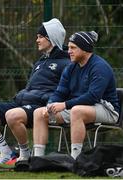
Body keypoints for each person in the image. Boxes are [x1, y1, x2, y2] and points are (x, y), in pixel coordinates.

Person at [0, 18, 70, 164]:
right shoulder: (40, 62)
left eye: (40, 37)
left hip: (39, 107)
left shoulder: (66, 63)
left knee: (12, 116)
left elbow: (63, 92)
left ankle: (24, 154)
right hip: (21, 103)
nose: (36, 40)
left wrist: (48, 102)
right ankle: (6, 152)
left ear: (50, 38)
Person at [33, 30, 120, 159]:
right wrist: (50, 105)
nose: (69, 51)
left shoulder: (100, 67)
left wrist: (65, 105)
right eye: (68, 48)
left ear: (85, 49)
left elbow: (93, 97)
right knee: (39, 113)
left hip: (107, 109)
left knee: (76, 111)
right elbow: (60, 92)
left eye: (73, 48)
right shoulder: (71, 67)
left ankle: (75, 159)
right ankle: (37, 158)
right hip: (78, 107)